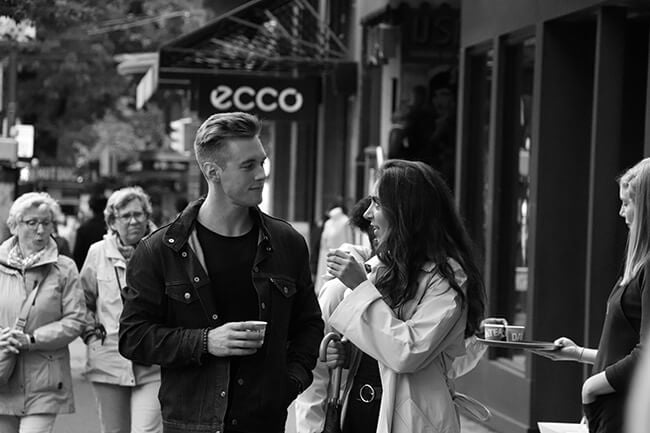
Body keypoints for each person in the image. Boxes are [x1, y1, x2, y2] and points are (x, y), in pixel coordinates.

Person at [118, 112, 324, 433]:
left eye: (262, 162)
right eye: (248, 166)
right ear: (213, 172)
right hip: (191, 423)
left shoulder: (287, 244)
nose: (261, 174)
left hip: (263, 422)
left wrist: (290, 383)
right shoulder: (160, 249)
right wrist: (205, 342)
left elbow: (309, 325)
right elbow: (133, 337)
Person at [324, 159, 486, 433]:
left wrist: (360, 288)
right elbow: (377, 340)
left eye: (377, 203)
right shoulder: (382, 266)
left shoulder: (448, 279)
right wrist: (347, 352)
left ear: (405, 211)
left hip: (410, 421)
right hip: (357, 414)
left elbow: (406, 352)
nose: (367, 214)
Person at [535, 158, 650, 433]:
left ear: (645, 207)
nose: (622, 212)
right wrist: (578, 354)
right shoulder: (639, 268)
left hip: (624, 413)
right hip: (613, 408)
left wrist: (590, 387)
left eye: (627, 203)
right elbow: (622, 351)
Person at [0, 192, 86, 433]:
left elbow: (76, 319)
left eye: (46, 223)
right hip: (3, 374)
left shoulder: (65, 268)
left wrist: (32, 340)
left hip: (45, 378)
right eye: (32, 223)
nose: (40, 230)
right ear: (14, 226)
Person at [80, 186, 161, 433]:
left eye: (139, 214)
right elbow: (82, 299)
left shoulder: (163, 250)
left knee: (146, 430)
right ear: (112, 222)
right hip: (108, 358)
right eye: (125, 216)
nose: (133, 221)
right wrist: (91, 334)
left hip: (153, 359)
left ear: (148, 217)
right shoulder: (97, 252)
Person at [314, 200, 355, 296]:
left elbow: (349, 242)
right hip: (330, 256)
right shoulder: (329, 222)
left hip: (337, 256)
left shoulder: (345, 221)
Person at [73, 193, 108, 269]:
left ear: (91, 208)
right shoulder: (111, 227)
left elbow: (77, 256)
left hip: (88, 269)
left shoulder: (83, 229)